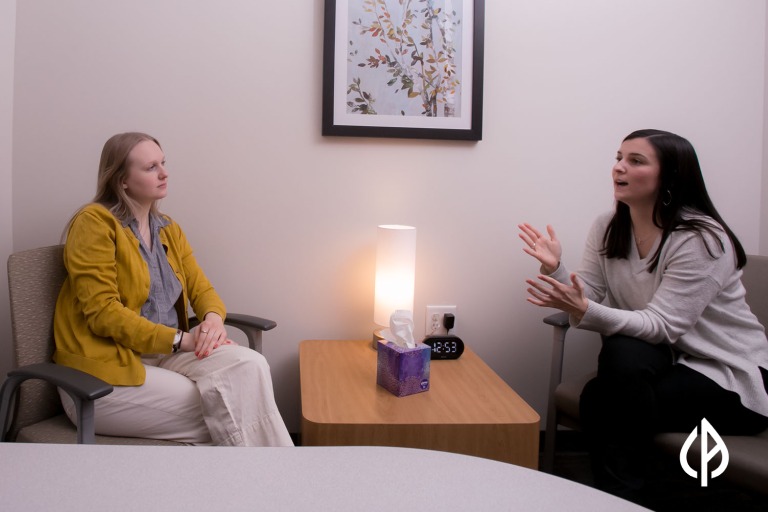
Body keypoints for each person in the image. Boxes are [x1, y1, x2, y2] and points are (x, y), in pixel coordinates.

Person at [519, 129, 768, 500]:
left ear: (669, 176)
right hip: (662, 360)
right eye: (618, 157)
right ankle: (628, 498)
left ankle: (619, 499)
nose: (618, 168)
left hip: (727, 375)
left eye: (635, 161)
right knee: (621, 360)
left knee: (601, 398)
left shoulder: (701, 238)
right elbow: (590, 291)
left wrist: (585, 309)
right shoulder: (608, 225)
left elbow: (662, 325)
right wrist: (556, 269)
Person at [53, 132, 293, 446]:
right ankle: (271, 482)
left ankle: (258, 480)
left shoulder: (167, 228)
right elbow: (103, 314)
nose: (164, 173)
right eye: (151, 167)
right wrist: (184, 339)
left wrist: (212, 322)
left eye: (163, 163)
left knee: (251, 366)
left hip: (163, 355)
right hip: (105, 372)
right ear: (122, 180)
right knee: (231, 405)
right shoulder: (94, 223)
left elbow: (202, 288)